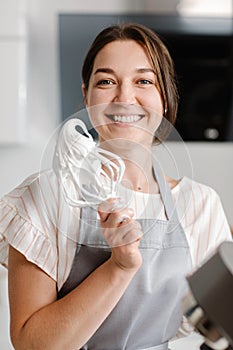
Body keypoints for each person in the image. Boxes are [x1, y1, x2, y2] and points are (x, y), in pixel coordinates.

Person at [0, 23, 231, 350]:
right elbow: (32, 344)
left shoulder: (200, 205)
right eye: (106, 81)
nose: (124, 97)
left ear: (164, 98)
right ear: (86, 96)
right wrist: (119, 267)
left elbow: (220, 323)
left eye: (144, 81)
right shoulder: (47, 196)